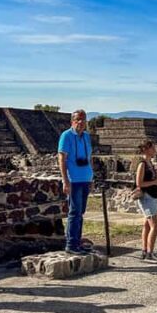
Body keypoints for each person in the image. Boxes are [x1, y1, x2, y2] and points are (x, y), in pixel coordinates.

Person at [58, 109, 94, 255]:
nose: (80, 122)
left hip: (85, 178)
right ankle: (71, 244)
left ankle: (77, 242)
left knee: (81, 212)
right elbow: (61, 158)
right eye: (78, 119)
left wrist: (91, 177)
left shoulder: (86, 136)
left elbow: (90, 158)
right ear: (72, 121)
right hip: (74, 180)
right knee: (74, 212)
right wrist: (65, 180)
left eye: (83, 119)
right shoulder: (66, 136)